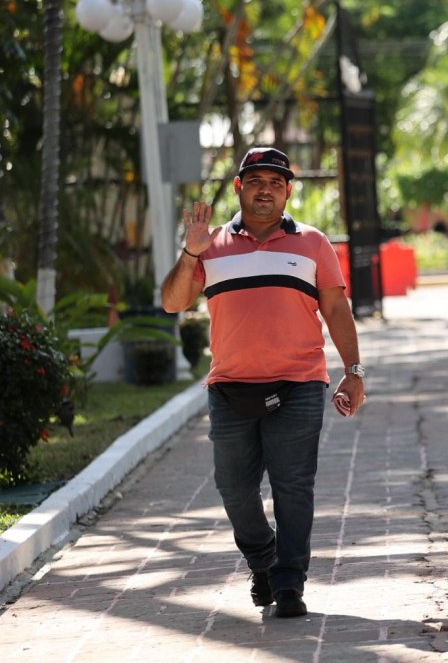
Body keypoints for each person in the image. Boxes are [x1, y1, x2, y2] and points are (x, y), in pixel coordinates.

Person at [161, 146, 366, 618]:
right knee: (234, 488)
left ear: (288, 191)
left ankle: (289, 581)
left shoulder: (313, 243)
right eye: (255, 181)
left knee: (293, 485)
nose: (265, 191)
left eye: (276, 183)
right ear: (239, 187)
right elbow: (173, 302)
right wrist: (191, 252)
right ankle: (263, 559)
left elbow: (336, 308)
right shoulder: (210, 244)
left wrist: (353, 371)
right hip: (230, 389)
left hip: (299, 383)